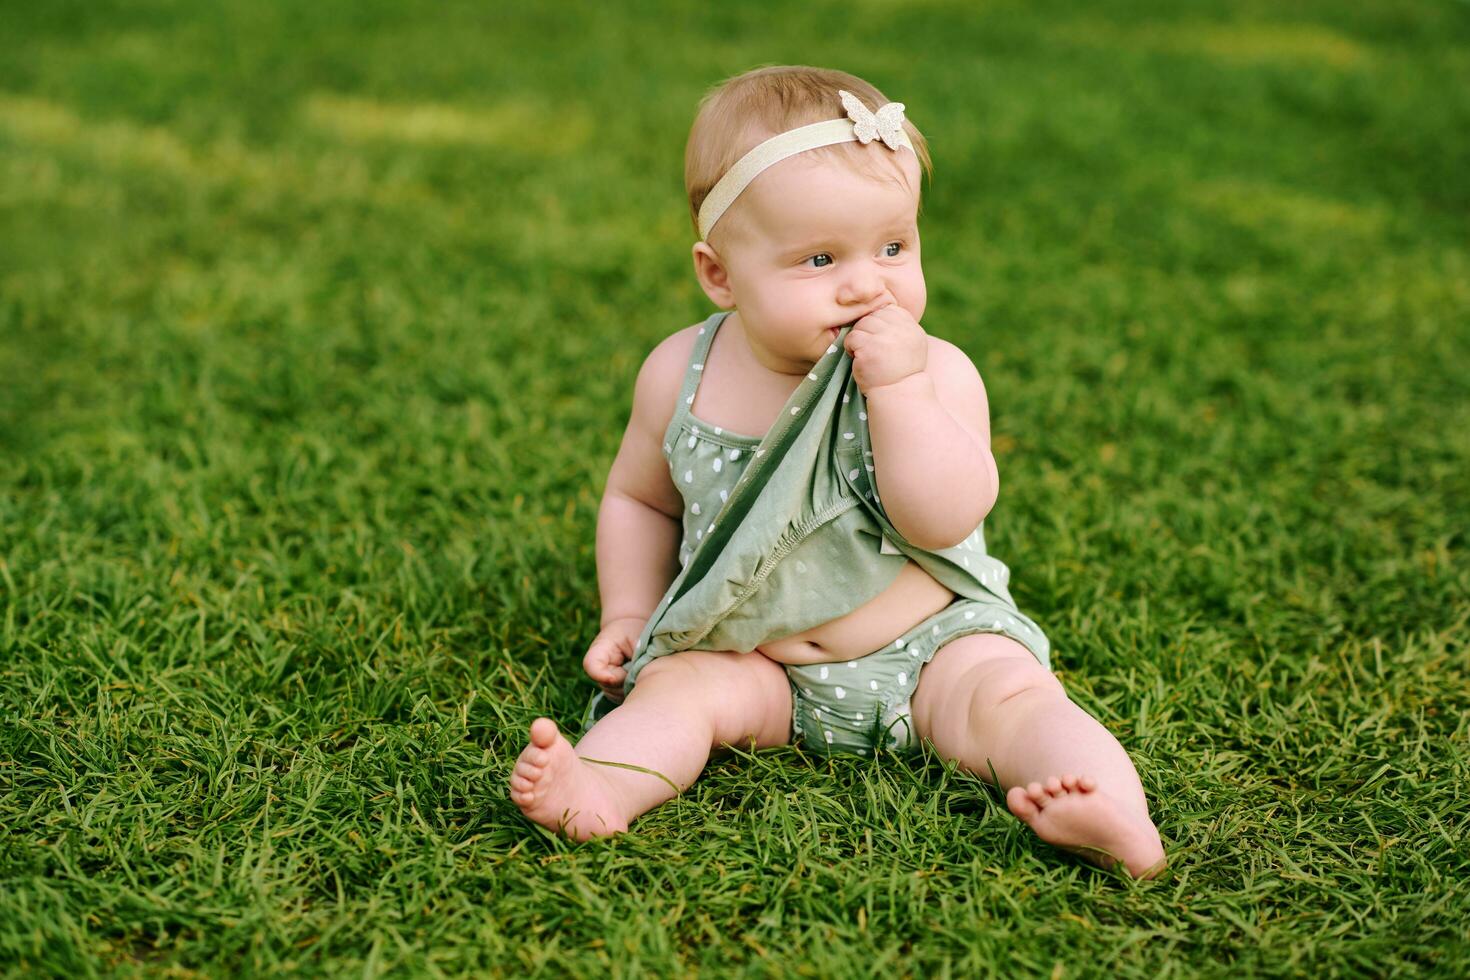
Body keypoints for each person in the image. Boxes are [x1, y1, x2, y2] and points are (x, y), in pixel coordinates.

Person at [509, 65, 1165, 878]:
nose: (867, 283)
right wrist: (631, 609)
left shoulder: (939, 373)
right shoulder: (681, 372)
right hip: (762, 667)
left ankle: (1110, 809)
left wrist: (899, 391)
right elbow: (640, 500)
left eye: (894, 246)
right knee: (676, 690)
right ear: (719, 274)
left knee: (1014, 699)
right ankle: (603, 785)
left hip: (932, 649)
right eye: (819, 259)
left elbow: (943, 518)